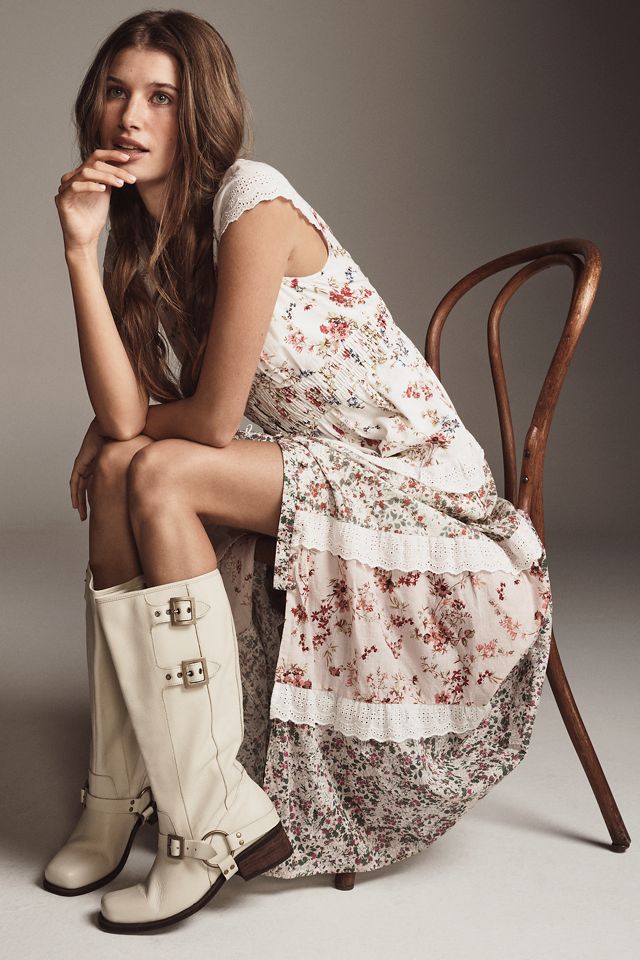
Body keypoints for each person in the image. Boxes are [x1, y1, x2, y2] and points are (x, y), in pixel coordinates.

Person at [43, 7, 553, 935]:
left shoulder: (253, 203)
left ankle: (209, 825)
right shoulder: (141, 234)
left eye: (162, 96)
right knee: (122, 467)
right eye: (117, 91)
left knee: (155, 474)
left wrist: (121, 429)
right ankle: (118, 794)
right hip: (313, 463)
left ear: (200, 109)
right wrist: (80, 243)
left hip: (416, 489)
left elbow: (206, 420)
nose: (131, 116)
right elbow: (124, 420)